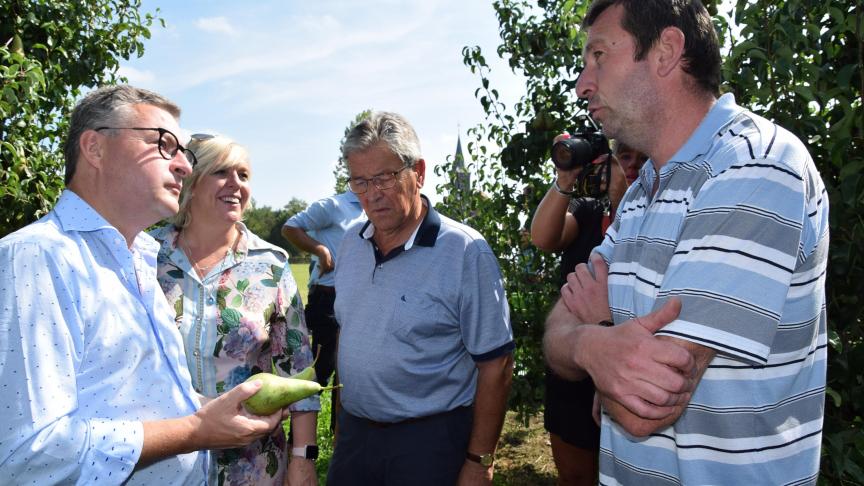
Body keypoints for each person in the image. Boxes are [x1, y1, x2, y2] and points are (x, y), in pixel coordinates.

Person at [543, 1, 829, 484]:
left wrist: (597, 334)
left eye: (599, 56)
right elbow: (555, 329)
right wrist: (597, 348)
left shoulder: (755, 165)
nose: (582, 84)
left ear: (666, 51)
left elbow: (643, 408)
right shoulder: (640, 192)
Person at [0, 85, 285, 484]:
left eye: (184, 151)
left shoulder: (140, 257)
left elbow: (134, 400)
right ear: (95, 148)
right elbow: (28, 453)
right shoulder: (35, 258)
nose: (185, 166)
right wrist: (195, 432)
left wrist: (212, 412)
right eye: (165, 144)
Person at [326, 111, 515, 486]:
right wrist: (339, 422)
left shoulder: (464, 251)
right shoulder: (350, 243)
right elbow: (348, 335)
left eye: (385, 177)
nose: (372, 194)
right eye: (360, 182)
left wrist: (479, 461)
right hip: (355, 436)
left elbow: (498, 364)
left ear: (419, 173)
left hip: (429, 443)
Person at [150, 134, 320, 486]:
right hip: (160, 460)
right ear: (192, 184)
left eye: (243, 174)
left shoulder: (270, 266)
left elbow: (299, 371)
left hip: (252, 466)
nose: (236, 184)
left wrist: (303, 459)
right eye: (222, 171)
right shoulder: (144, 256)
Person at [530, 141, 645, 485]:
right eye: (624, 157)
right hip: (575, 365)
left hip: (630, 364)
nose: (632, 166)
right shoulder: (589, 211)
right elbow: (543, 237)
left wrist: (624, 199)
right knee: (576, 477)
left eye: (643, 158)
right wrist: (565, 179)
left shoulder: (659, 212)